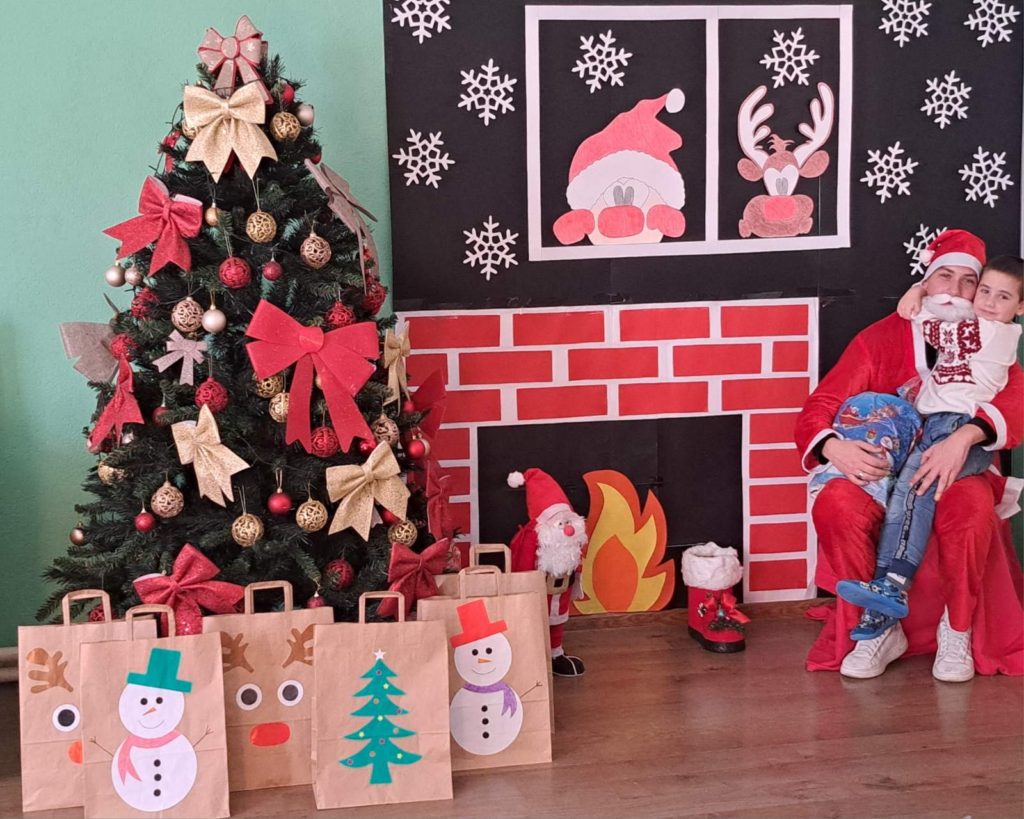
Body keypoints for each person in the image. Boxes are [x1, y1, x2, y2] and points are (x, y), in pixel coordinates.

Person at [794, 229, 1024, 681]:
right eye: (944, 277)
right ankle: (875, 627)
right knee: (838, 504)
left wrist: (966, 438)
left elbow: (1016, 402)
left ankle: (957, 627)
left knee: (969, 508)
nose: (955, 291)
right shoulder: (881, 337)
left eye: (968, 282)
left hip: (961, 462)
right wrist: (834, 447)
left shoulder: (989, 335)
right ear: (925, 279)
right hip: (887, 467)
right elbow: (821, 404)